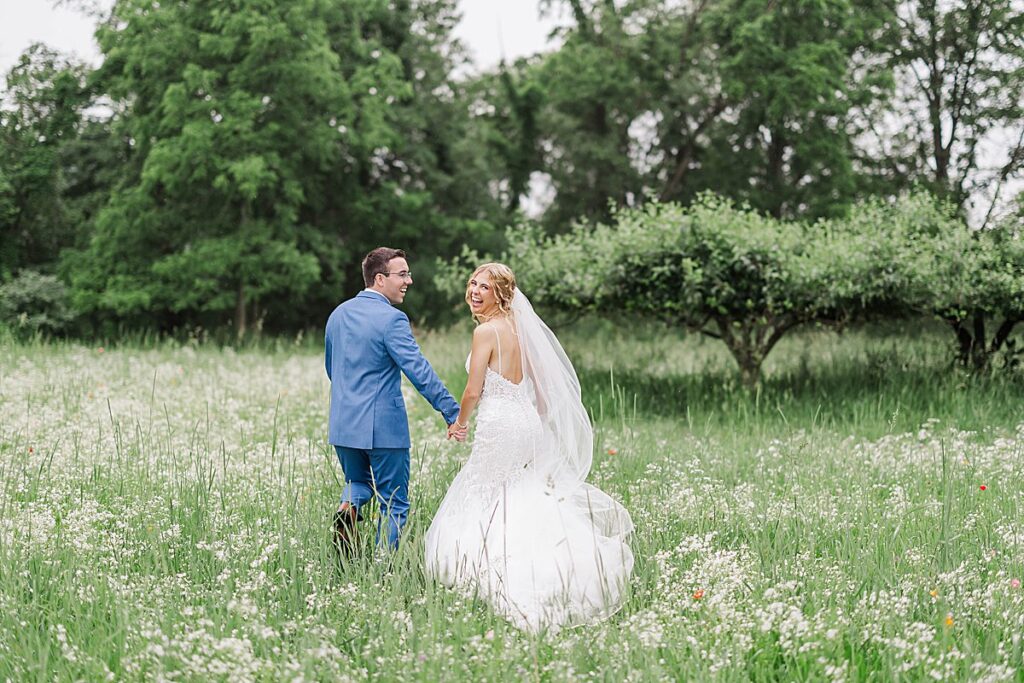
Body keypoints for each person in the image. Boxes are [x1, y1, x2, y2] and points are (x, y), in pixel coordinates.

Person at [424, 263, 634, 633]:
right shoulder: (520, 328)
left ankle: (496, 570)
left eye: (484, 287)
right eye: (473, 283)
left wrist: (460, 424)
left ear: (501, 293)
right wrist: (533, 420)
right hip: (525, 422)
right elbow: (540, 387)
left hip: (500, 423)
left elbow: (473, 390)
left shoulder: (485, 332)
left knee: (483, 491)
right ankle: (553, 556)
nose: (474, 291)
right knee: (515, 489)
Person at [325, 247, 466, 555]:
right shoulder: (392, 319)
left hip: (343, 424)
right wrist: (452, 411)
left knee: (358, 483)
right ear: (379, 279)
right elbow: (419, 371)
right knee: (394, 501)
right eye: (402, 274)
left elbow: (332, 369)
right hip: (383, 427)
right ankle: (384, 569)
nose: (408, 281)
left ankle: (348, 507)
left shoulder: (338, 315)